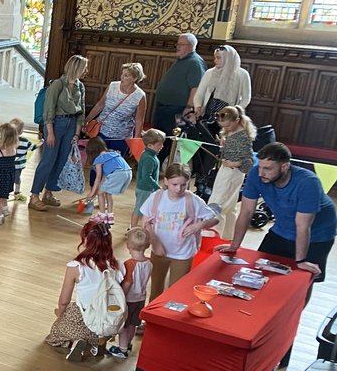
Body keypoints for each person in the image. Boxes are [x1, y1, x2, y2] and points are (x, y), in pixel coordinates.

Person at [224, 142, 336, 283]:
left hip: (317, 234)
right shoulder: (256, 175)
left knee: (301, 281)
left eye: (268, 169)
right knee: (260, 270)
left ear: (285, 166)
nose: (261, 173)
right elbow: (246, 212)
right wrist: (234, 245)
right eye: (260, 167)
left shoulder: (308, 182)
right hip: (282, 228)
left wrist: (301, 260)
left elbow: (303, 225)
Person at [45, 220, 122, 362]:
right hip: (107, 320)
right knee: (97, 327)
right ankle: (98, 343)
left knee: (55, 334)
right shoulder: (117, 265)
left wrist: (61, 314)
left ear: (86, 240)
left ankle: (75, 342)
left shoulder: (76, 266)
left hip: (85, 317)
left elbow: (64, 299)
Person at [140, 162, 218, 298]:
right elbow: (145, 223)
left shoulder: (192, 200)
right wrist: (155, 243)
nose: (178, 189)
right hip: (159, 251)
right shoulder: (156, 197)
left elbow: (215, 218)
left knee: (176, 292)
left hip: (183, 254)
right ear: (165, 181)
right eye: (174, 184)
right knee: (155, 289)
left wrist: (198, 226)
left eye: (183, 185)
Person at [29, 55, 89, 211]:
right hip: (56, 125)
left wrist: (77, 134)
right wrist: (49, 132)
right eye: (84, 68)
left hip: (71, 125)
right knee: (48, 160)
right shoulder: (57, 85)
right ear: (76, 68)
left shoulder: (80, 86)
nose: (86, 71)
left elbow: (81, 112)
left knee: (61, 160)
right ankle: (34, 196)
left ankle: (48, 193)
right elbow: (48, 110)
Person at [152, 33, 206, 156]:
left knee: (171, 139)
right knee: (160, 137)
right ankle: (157, 162)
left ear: (191, 46)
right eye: (177, 44)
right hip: (165, 107)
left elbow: (196, 87)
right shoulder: (182, 60)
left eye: (181, 44)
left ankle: (165, 165)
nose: (178, 46)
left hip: (177, 109)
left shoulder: (195, 62)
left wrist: (189, 108)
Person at [210, 105, 257, 239]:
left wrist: (234, 163)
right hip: (226, 170)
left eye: (227, 126)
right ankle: (227, 236)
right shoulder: (232, 133)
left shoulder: (242, 137)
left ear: (236, 121)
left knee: (219, 203)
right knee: (229, 206)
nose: (225, 128)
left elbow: (249, 161)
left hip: (232, 172)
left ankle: (215, 235)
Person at [83, 62, 146, 156]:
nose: (122, 77)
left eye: (126, 75)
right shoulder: (113, 86)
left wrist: (135, 142)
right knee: (97, 163)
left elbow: (139, 121)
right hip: (102, 132)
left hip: (121, 138)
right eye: (122, 74)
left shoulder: (140, 95)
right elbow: (100, 104)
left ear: (135, 78)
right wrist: (87, 120)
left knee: (115, 166)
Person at [109, 227, 152, 359]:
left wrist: (119, 295)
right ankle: (128, 344)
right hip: (141, 298)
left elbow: (127, 283)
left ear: (128, 245)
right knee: (133, 324)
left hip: (129, 299)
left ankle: (122, 349)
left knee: (124, 325)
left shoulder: (128, 264)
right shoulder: (149, 262)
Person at [195, 44, 252, 126]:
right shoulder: (210, 73)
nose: (215, 61)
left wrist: (235, 111)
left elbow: (246, 98)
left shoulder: (242, 74)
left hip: (229, 116)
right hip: (208, 113)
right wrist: (198, 106)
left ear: (228, 58)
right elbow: (199, 94)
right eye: (215, 58)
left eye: (218, 58)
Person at [82, 136, 132, 225]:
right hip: (128, 173)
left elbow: (98, 177)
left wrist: (92, 193)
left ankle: (102, 216)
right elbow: (104, 178)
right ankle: (110, 216)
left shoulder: (99, 159)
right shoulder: (112, 153)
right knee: (108, 193)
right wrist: (97, 189)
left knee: (100, 193)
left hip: (117, 174)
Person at [132, 128, 165, 228]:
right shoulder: (149, 158)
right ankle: (132, 229)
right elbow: (146, 177)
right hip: (145, 189)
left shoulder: (149, 155)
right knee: (139, 210)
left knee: (144, 209)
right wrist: (157, 187)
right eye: (159, 144)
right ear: (150, 145)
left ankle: (140, 227)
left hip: (146, 188)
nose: (162, 147)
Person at [11, 117, 33, 201]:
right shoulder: (25, 141)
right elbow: (32, 147)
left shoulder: (7, 140)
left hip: (10, 163)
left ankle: (14, 189)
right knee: (17, 178)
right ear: (21, 131)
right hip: (18, 165)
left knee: (11, 177)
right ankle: (17, 190)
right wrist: (41, 142)